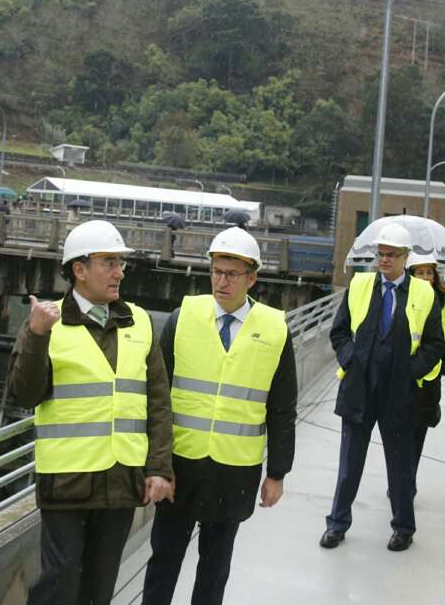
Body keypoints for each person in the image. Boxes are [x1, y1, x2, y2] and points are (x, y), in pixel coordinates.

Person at [7, 219, 174, 605]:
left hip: (120, 479)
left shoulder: (140, 322)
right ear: (79, 270)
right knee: (60, 583)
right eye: (109, 263)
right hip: (67, 480)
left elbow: (158, 402)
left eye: (121, 263)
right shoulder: (46, 323)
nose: (119, 272)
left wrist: (159, 468)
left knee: (99, 587)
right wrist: (35, 335)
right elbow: (23, 394)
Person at [142, 227, 297, 605]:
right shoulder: (183, 318)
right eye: (216, 271)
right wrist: (156, 464)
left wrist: (277, 473)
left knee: (215, 568)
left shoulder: (275, 330)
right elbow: (156, 396)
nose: (221, 281)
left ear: (252, 278)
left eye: (231, 274)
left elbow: (282, 408)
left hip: (235, 470)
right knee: (163, 559)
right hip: (180, 465)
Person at [321, 223, 444, 552]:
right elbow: (339, 332)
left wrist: (410, 373)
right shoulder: (360, 285)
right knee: (349, 464)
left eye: (392, 255)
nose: (385, 260)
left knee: (401, 466)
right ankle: (337, 524)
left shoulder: (423, 293)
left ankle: (403, 528)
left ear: (406, 257)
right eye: (381, 254)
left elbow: (435, 345)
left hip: (400, 393)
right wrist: (350, 360)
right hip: (360, 389)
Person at [406, 252, 445, 488]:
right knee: (400, 432)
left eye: (429, 272)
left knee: (418, 432)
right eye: (420, 272)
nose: (425, 277)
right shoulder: (402, 299)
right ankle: (401, 477)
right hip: (404, 377)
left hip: (430, 379)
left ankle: (409, 478)